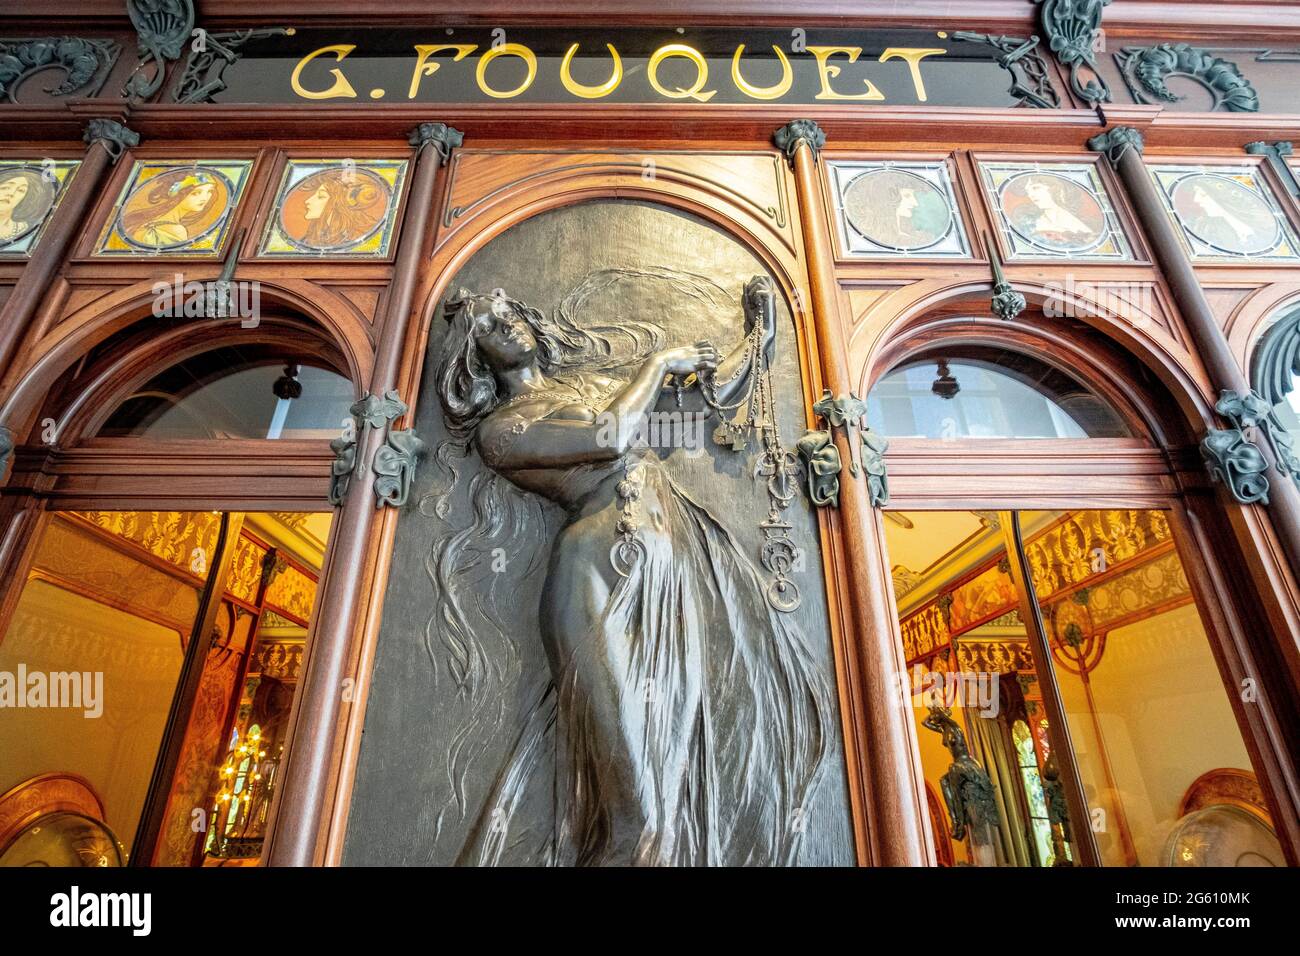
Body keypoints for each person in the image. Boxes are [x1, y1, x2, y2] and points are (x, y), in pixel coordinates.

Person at [433, 279, 829, 866]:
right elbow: (611, 435)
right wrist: (660, 361)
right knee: (634, 809)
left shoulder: (588, 385)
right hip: (593, 578)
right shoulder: (503, 431)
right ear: (475, 355)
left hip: (667, 573)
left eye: (508, 312)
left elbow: (706, 395)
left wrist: (759, 337)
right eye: (488, 327)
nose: (507, 325)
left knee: (676, 794)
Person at [123, 171, 217, 248]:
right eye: (196, 193)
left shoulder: (152, 219)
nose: (204, 198)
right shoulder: (176, 230)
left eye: (209, 191)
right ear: (178, 196)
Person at [295, 170, 385, 249]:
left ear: (338, 205)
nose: (308, 201)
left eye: (321, 196)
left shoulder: (355, 239)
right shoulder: (311, 238)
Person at [1013, 176, 1096, 249]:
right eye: (1028, 191)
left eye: (1036, 188)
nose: (1031, 194)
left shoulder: (1076, 224)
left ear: (1055, 189)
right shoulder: (1029, 221)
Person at [0, 169, 54, 247]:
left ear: (25, 198)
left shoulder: (29, 228)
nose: (11, 193)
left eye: (21, 190)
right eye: (6, 187)